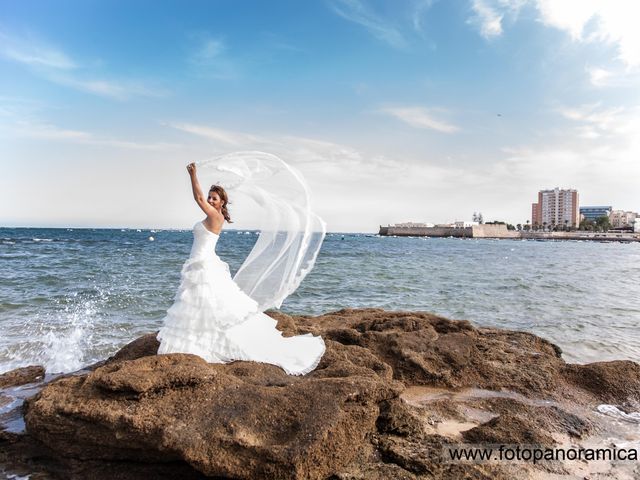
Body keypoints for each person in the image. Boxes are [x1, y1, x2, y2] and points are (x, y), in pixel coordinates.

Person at [156, 162, 326, 376]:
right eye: (209, 197)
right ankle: (200, 340)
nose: (209, 200)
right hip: (201, 262)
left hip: (203, 264)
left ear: (221, 203)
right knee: (201, 305)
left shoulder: (215, 217)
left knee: (202, 303)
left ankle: (203, 343)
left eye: (213, 198)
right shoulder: (213, 216)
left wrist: (193, 175)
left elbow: (198, 199)